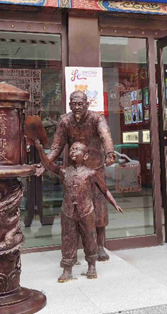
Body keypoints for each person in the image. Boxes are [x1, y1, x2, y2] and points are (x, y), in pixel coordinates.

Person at [35, 140, 123, 282]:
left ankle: (92, 266)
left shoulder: (91, 173)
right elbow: (49, 165)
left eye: (77, 149)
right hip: (68, 211)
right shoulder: (65, 171)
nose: (73, 152)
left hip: (86, 210)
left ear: (86, 155)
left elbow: (104, 190)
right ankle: (67, 269)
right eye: (72, 149)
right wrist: (40, 151)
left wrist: (115, 203)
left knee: (90, 237)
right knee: (68, 239)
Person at [47, 90, 116, 261]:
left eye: (80, 104)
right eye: (74, 104)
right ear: (70, 105)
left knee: (99, 208)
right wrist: (45, 164)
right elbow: (57, 146)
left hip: (95, 168)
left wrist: (109, 153)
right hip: (74, 171)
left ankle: (100, 246)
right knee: (74, 209)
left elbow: (105, 135)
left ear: (87, 104)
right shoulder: (65, 121)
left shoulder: (97, 118)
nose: (77, 107)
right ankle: (74, 248)